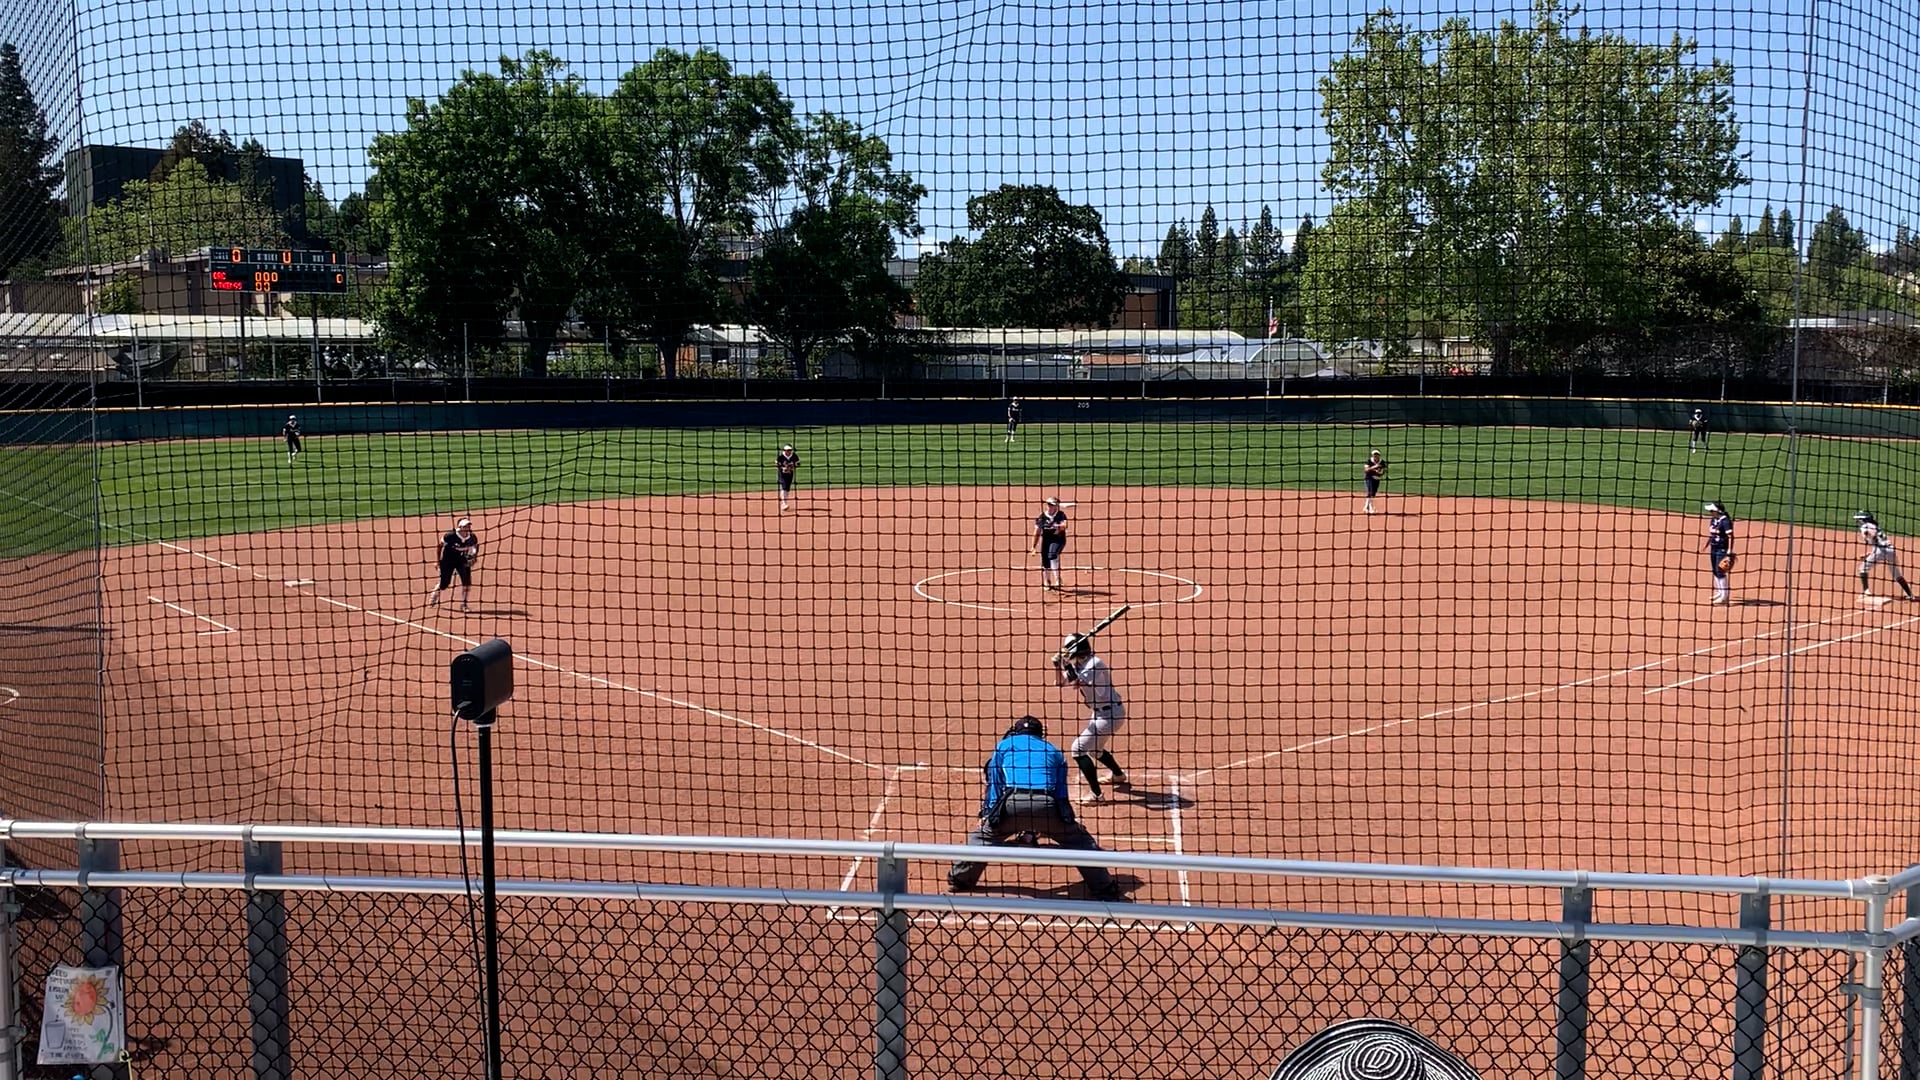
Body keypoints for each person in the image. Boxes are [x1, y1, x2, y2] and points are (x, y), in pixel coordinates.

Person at [946, 715, 1124, 901]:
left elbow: (995, 784)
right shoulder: (1054, 751)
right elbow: (1060, 793)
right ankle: (1104, 888)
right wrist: (1068, 821)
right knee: (1080, 842)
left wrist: (988, 814)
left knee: (982, 838)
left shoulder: (1004, 745)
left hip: (1012, 805)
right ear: (1040, 734)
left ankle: (959, 879)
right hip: (1047, 806)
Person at [1054, 633, 1129, 803]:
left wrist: (1065, 663)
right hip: (1101, 714)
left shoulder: (1094, 664)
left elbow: (1075, 682)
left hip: (1110, 715)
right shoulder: (1080, 663)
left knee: (1078, 749)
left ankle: (1097, 795)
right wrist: (1057, 665)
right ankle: (1118, 775)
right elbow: (1060, 682)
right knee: (1095, 750)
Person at [1853, 511, 1916, 600]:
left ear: (1863, 520)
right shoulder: (1875, 525)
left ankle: (1866, 591)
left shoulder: (1865, 526)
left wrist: (1868, 533)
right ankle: (1910, 595)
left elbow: (1873, 535)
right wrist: (1870, 554)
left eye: (1858, 520)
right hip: (1890, 551)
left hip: (1880, 551)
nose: (1857, 522)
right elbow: (1878, 541)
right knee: (1897, 575)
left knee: (1862, 569)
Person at [429, 517, 480, 610]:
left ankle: (464, 604)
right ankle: (435, 593)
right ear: (460, 527)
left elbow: (476, 546)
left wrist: (474, 557)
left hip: (462, 560)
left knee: (466, 583)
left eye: (469, 526)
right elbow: (439, 546)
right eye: (465, 526)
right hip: (448, 561)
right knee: (444, 584)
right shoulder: (450, 536)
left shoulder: (472, 537)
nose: (468, 528)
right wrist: (438, 561)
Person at [1030, 495, 1068, 591]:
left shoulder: (1060, 515)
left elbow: (1065, 526)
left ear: (1056, 506)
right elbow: (1037, 532)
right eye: (1049, 504)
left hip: (1058, 539)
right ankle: (1047, 581)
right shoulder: (1042, 517)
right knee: (1045, 560)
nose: (1050, 506)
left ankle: (1058, 579)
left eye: (1052, 505)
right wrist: (1033, 546)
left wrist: (1057, 527)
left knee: (1052, 554)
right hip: (1046, 540)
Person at [1702, 502, 1734, 605]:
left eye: (1712, 511)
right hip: (1714, 548)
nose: (1710, 512)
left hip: (1722, 549)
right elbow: (1712, 534)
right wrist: (1707, 544)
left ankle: (1724, 596)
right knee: (1715, 571)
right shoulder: (1714, 520)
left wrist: (1729, 551)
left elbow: (1731, 536)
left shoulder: (1725, 521)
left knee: (1720, 571)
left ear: (1718, 511)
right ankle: (1720, 592)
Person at [775, 444, 800, 512]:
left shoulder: (794, 456)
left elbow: (798, 463)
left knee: (787, 488)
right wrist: (782, 468)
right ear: (784, 450)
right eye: (787, 450)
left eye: (789, 450)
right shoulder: (781, 456)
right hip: (782, 474)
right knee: (784, 486)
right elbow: (777, 464)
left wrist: (792, 467)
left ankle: (785, 502)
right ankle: (784, 503)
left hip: (790, 474)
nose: (788, 451)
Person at [1362, 450, 1388, 514]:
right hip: (1369, 478)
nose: (1375, 456)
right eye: (1374, 455)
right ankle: (1371, 508)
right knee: (1370, 492)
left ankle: (1365, 507)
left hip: (1376, 479)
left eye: (1377, 455)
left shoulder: (1382, 462)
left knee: (1373, 494)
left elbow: (1384, 470)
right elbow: (1366, 470)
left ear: (1379, 455)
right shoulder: (1369, 461)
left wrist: (1380, 472)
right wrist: (1374, 467)